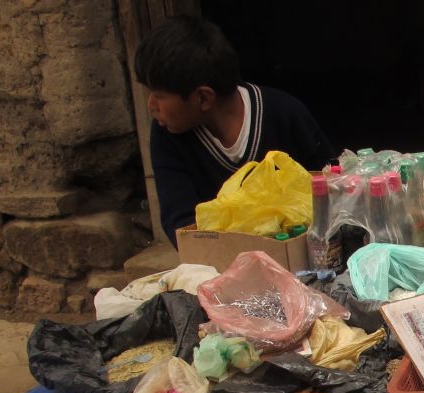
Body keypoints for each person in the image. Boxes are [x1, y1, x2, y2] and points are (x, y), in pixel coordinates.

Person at [134, 16, 335, 245]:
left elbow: (332, 187)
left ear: (203, 97)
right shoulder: (168, 135)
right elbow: (181, 225)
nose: (151, 106)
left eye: (159, 96)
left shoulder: (285, 114)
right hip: (218, 265)